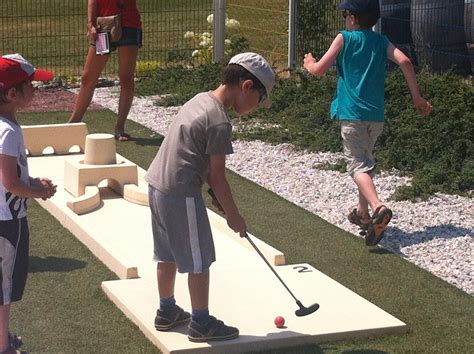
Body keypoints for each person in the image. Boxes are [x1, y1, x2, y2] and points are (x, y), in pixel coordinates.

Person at [145, 52, 275, 342]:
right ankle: (201, 322)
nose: (256, 107)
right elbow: (217, 176)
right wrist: (234, 216)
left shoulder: (200, 99)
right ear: (246, 86)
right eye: (259, 100)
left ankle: (167, 311)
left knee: (166, 254)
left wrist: (215, 193)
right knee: (199, 259)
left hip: (157, 186)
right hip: (180, 193)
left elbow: (192, 151)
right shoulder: (219, 122)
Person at [303, 0, 432, 246]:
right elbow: (405, 61)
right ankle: (363, 215)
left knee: (357, 166)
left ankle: (377, 207)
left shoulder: (344, 38)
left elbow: (319, 70)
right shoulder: (381, 41)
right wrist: (417, 97)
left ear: (352, 17)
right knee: (366, 161)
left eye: (345, 15)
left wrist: (309, 63)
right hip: (376, 115)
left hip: (352, 114)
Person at [0, 54, 57, 354]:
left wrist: (32, 182)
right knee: (5, 287)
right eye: (31, 86)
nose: (36, 90)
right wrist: (39, 193)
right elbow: (10, 183)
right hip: (7, 220)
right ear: (12, 94)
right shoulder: (8, 132)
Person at [68, 0, 143, 141]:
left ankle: (120, 127)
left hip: (128, 26)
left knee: (126, 77)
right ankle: (73, 123)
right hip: (104, 28)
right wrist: (91, 23)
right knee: (88, 77)